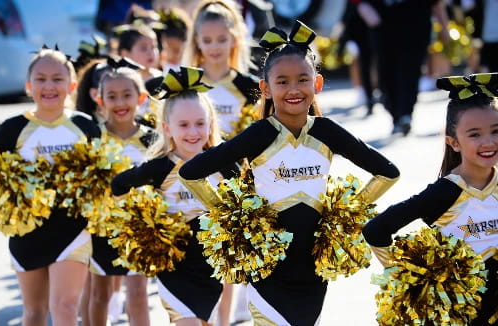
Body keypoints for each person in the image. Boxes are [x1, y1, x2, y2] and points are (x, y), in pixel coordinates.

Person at [178, 21, 401, 325]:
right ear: (265, 89)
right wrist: (234, 218)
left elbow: (388, 173)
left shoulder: (326, 131)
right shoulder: (258, 135)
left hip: (313, 267)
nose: (294, 90)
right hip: (267, 266)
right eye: (282, 82)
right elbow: (191, 172)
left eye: (302, 80)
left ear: (317, 84)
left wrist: (344, 215)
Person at [362, 73, 498, 326]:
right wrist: (409, 279)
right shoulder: (444, 193)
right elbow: (376, 229)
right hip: (464, 316)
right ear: (453, 143)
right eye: (475, 135)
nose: (488, 142)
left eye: (495, 131)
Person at [111, 67, 240, 325]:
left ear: (211, 124)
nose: (193, 132)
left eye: (200, 123)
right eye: (184, 125)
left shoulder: (223, 163)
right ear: (167, 129)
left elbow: (248, 199)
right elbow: (119, 184)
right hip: (174, 270)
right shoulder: (159, 167)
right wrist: (138, 223)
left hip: (213, 269)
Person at [0, 46, 100, 325]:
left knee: (66, 306)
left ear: (71, 86)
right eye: (41, 78)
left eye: (58, 79)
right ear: (28, 85)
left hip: (74, 229)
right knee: (34, 311)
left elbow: (104, 173)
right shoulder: (13, 128)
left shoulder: (85, 126)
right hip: (28, 232)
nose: (49, 86)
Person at [81, 59, 158, 326]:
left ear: (141, 98)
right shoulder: (92, 137)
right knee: (100, 294)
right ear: (99, 100)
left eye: (127, 95)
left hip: (139, 229)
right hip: (102, 230)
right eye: (111, 96)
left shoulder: (153, 139)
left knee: (137, 294)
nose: (120, 102)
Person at [354, 0, 448, 136]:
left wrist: (444, 26)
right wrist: (361, 5)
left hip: (416, 22)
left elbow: (436, 3)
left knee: (411, 71)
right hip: (383, 22)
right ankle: (395, 115)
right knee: (386, 74)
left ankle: (406, 114)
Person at [183, 0, 260, 137]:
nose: (214, 47)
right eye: (207, 41)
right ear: (196, 41)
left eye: (222, 39)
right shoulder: (183, 84)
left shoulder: (251, 87)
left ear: (234, 39)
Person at [154, 8, 192, 74]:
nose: (170, 55)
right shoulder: (155, 70)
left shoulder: (190, 68)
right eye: (165, 49)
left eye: (176, 50)